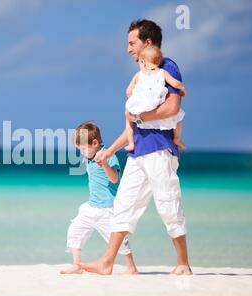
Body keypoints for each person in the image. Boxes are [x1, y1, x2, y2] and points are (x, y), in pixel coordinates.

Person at [80, 19, 192, 276]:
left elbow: (172, 108)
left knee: (168, 202)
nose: (128, 49)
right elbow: (133, 123)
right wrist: (109, 151)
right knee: (123, 205)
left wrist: (140, 117)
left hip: (159, 148)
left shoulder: (166, 66)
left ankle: (183, 263)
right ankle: (107, 261)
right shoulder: (141, 76)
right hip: (138, 151)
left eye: (132, 43)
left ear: (147, 43)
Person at [60, 121, 138, 275]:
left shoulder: (109, 156)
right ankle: (76, 265)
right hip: (91, 206)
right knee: (75, 230)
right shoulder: (88, 157)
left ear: (95, 143)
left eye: (83, 148)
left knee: (117, 240)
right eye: (79, 149)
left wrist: (104, 165)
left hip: (107, 208)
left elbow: (115, 178)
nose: (82, 152)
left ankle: (131, 267)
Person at [125, 45, 187, 151]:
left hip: (141, 106)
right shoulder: (163, 72)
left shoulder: (138, 75)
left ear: (143, 62)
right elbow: (176, 83)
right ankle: (177, 138)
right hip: (155, 104)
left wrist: (135, 96)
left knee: (128, 117)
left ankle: (131, 143)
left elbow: (128, 91)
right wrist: (183, 89)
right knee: (178, 118)